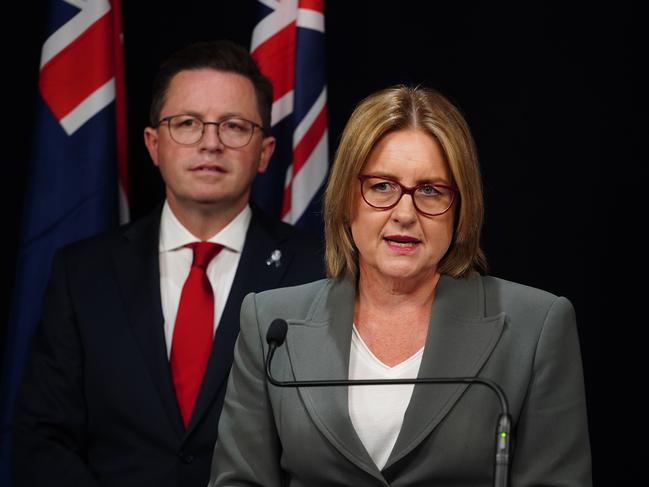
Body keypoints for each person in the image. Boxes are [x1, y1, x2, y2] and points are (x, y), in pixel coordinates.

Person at [209, 85, 592, 486]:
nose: (405, 213)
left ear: (460, 208)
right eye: (382, 187)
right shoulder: (271, 324)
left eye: (430, 190)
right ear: (345, 200)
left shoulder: (536, 326)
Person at [12, 40, 324, 487]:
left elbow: (328, 446)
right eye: (188, 123)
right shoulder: (82, 274)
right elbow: (42, 438)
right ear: (154, 144)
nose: (210, 143)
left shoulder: (318, 274)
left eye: (234, 126)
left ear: (265, 152)